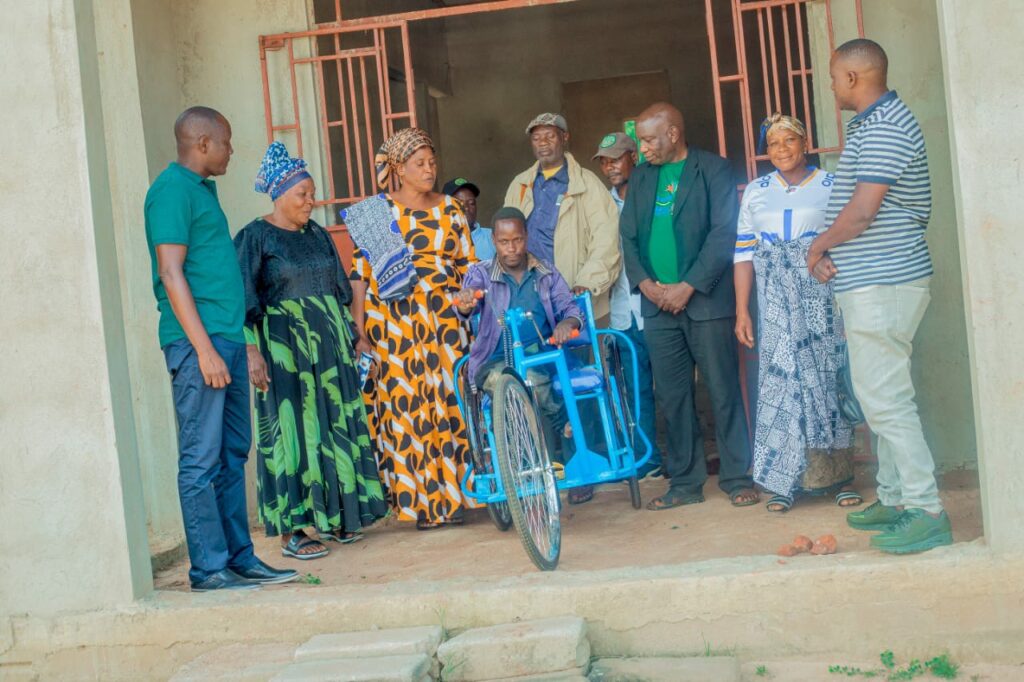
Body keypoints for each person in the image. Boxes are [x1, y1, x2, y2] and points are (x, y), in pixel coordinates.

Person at [806, 39, 952, 553]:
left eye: (833, 78)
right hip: (872, 281)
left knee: (887, 400)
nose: (831, 87)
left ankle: (927, 509)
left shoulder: (887, 125)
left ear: (852, 78)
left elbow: (864, 212)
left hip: (885, 283)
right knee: (879, 396)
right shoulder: (871, 125)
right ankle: (894, 497)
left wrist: (819, 246)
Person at [144, 106, 296, 591]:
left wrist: (240, 345)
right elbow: (171, 273)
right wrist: (205, 350)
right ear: (203, 143)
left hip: (226, 341)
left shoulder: (202, 191)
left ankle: (239, 558)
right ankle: (208, 569)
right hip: (199, 347)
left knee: (232, 454)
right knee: (201, 458)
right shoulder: (171, 191)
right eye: (226, 142)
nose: (231, 150)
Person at [233, 141, 388, 561]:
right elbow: (240, 299)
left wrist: (356, 335)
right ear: (279, 195)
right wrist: (251, 351)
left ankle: (338, 515)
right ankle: (293, 529)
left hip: (330, 347)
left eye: (312, 194)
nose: (310, 201)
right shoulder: (254, 237)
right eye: (302, 194)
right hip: (285, 351)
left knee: (334, 425)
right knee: (293, 432)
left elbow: (339, 291)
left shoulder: (318, 234)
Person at [620, 102, 758, 511]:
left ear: (673, 134)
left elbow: (723, 233)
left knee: (723, 390)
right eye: (641, 141)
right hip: (657, 306)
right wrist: (645, 284)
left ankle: (737, 477)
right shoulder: (641, 177)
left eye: (649, 140)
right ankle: (685, 483)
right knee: (673, 397)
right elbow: (627, 236)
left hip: (706, 302)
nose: (643, 149)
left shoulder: (712, 169)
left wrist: (689, 286)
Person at [343, 128, 477, 531]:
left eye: (432, 162)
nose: (429, 169)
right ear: (399, 169)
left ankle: (460, 496)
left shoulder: (451, 209)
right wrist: (360, 332)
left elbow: (468, 265)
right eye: (419, 163)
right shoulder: (375, 213)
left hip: (446, 321)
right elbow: (359, 277)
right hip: (394, 327)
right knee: (409, 410)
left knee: (453, 401)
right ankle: (425, 505)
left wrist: (469, 299)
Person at [733, 114, 861, 513]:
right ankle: (784, 482)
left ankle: (839, 478)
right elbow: (743, 254)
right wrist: (742, 311)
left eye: (789, 140)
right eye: (774, 144)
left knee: (826, 379)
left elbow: (847, 242)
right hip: (774, 304)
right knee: (781, 383)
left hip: (819, 297)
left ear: (805, 144)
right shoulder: (756, 192)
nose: (782, 149)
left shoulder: (830, 185)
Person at [455, 207, 583, 449]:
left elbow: (569, 308)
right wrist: (466, 300)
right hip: (494, 359)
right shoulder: (481, 273)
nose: (511, 248)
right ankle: (533, 437)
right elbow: (468, 300)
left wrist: (568, 323)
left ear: (526, 236)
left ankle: (556, 432)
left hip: (540, 354)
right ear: (494, 240)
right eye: (504, 242)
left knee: (534, 375)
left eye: (517, 240)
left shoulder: (545, 272)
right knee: (509, 378)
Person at [503, 113, 621, 323]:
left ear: (565, 137)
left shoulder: (587, 183)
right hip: (529, 296)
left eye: (550, 136)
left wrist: (587, 281)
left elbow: (606, 239)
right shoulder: (519, 185)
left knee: (573, 344)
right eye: (536, 138)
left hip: (572, 291)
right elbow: (505, 237)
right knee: (531, 343)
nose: (543, 143)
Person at [593, 132, 663, 480]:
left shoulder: (652, 194)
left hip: (658, 306)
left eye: (616, 159)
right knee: (634, 389)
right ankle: (647, 460)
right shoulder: (602, 206)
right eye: (605, 161)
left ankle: (683, 459)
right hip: (622, 312)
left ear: (633, 157)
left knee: (671, 388)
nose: (610, 167)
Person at [444, 177, 495, 261]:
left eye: (471, 203)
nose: (466, 208)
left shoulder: (493, 238)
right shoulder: (436, 241)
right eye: (458, 203)